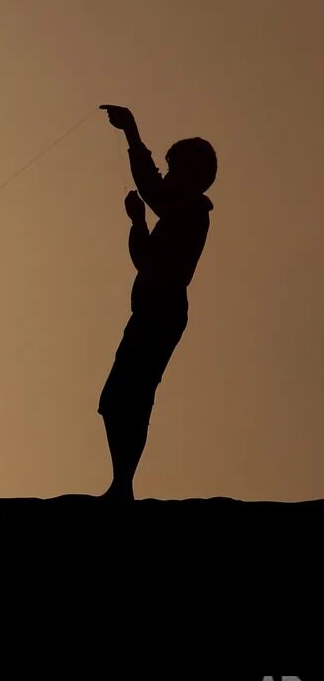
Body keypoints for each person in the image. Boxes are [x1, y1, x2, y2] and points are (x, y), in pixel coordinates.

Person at [98, 105, 216, 501]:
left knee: (129, 396)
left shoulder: (193, 210)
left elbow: (154, 190)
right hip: (151, 312)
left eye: (172, 167)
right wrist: (137, 223)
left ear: (192, 175)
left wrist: (131, 133)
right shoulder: (177, 213)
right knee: (119, 398)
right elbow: (146, 260)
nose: (165, 174)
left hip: (161, 314)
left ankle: (122, 486)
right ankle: (121, 484)